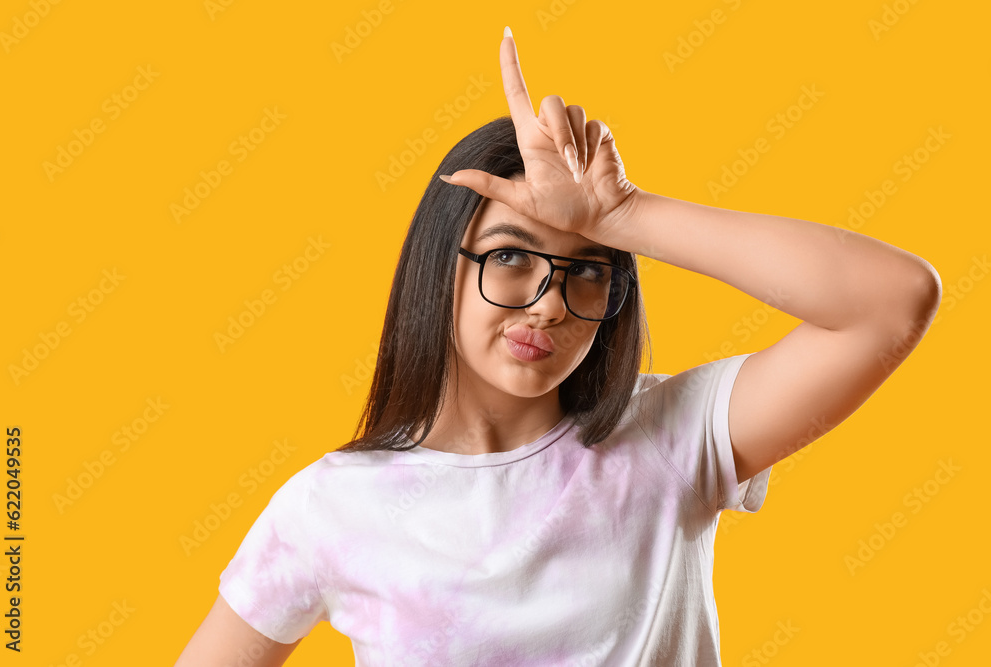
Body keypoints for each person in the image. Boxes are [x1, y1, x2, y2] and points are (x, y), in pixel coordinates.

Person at [174, 27, 941, 667]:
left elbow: (892, 301)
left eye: (584, 271)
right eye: (510, 256)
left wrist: (625, 214)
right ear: (439, 267)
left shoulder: (678, 432)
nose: (547, 302)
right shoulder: (331, 505)